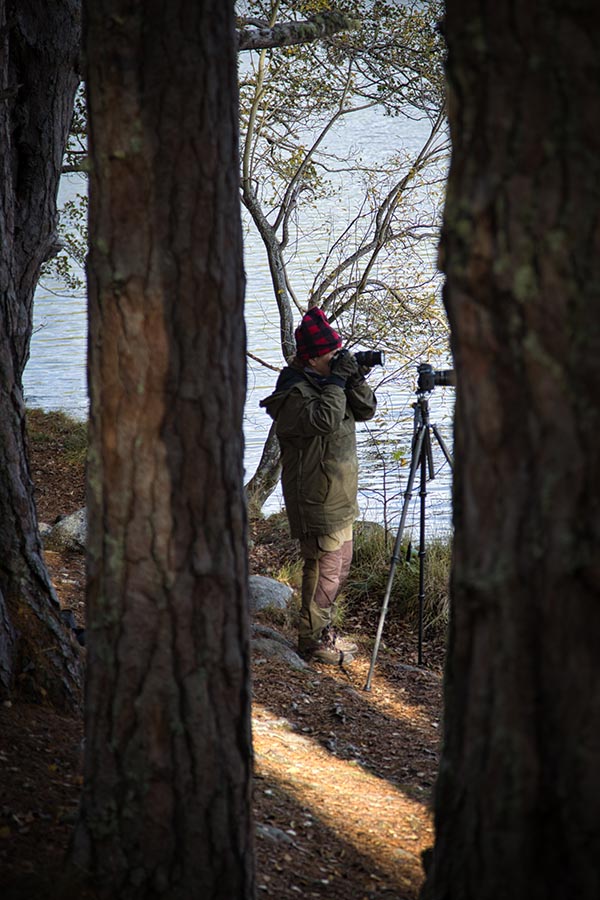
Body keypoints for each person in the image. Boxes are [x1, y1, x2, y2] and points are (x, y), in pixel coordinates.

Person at [260, 307, 377, 665]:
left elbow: (367, 409)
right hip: (316, 496)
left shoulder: (327, 383)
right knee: (323, 567)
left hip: (339, 493)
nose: (337, 360)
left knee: (341, 565)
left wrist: (353, 379)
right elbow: (325, 420)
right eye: (331, 355)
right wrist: (338, 382)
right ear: (311, 358)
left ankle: (323, 630)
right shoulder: (294, 393)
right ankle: (311, 640)